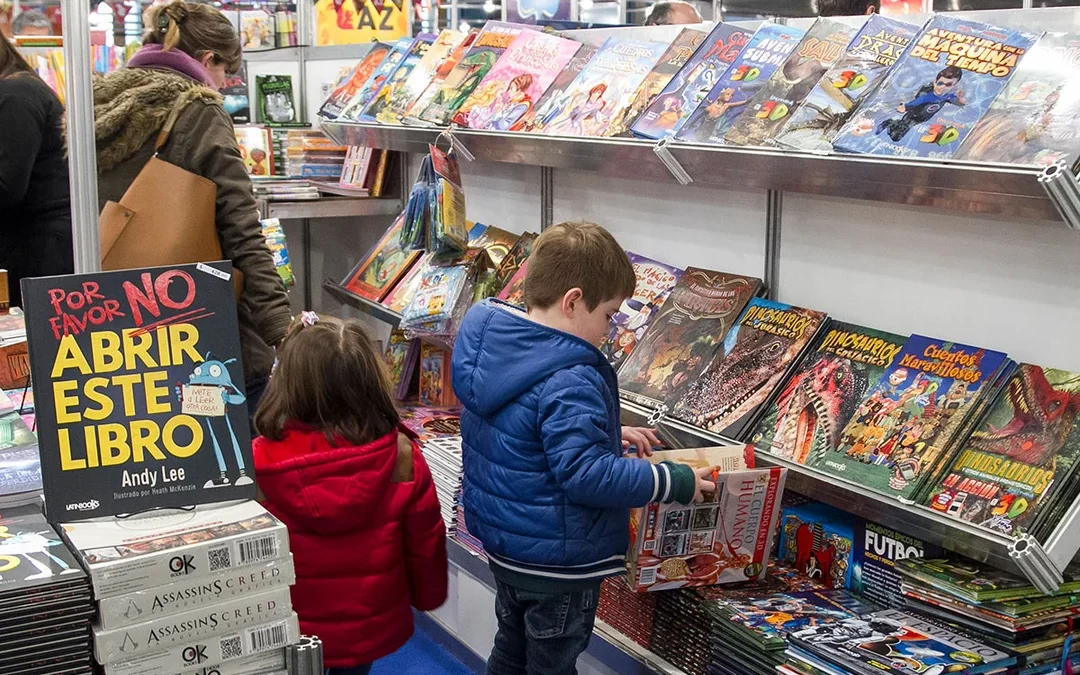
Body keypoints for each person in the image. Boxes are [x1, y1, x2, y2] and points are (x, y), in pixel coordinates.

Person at [452, 221, 717, 675]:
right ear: (573, 301)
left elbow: (528, 438)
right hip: (558, 562)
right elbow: (586, 475)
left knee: (511, 651)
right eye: (609, 314)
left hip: (510, 547)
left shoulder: (499, 349)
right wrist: (673, 480)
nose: (611, 329)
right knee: (552, 665)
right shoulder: (571, 374)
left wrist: (608, 434)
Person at [94, 0, 291, 422]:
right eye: (226, 72)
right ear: (206, 60)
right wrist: (279, 327)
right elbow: (241, 229)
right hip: (195, 317)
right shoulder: (199, 109)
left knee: (150, 444)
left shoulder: (96, 102)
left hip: (112, 318)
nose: (224, 84)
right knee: (212, 440)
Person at [253, 313, 449, 675]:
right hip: (367, 624)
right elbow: (425, 542)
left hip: (285, 626)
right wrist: (428, 596)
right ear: (371, 380)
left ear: (286, 382)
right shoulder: (402, 458)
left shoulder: (259, 463)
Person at [0, 35, 71, 308]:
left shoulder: (16, 96)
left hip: (38, 251)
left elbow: (7, 185)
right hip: (34, 244)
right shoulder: (18, 91)